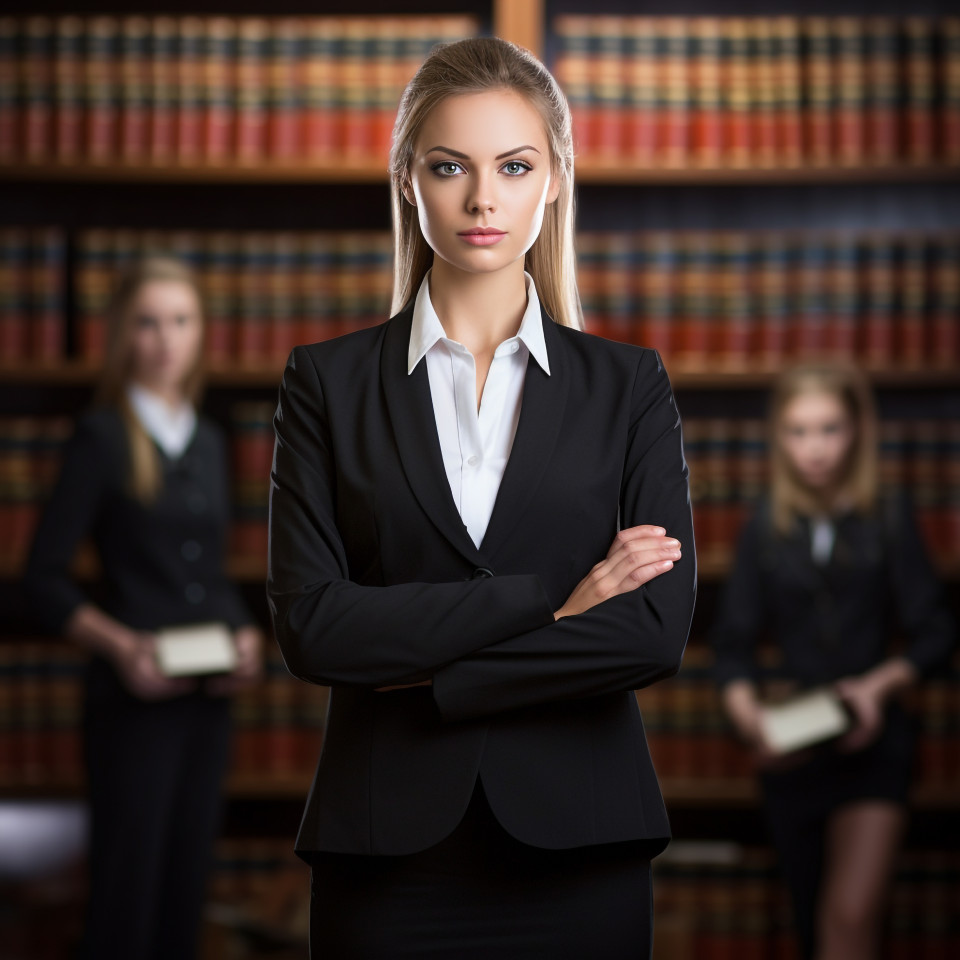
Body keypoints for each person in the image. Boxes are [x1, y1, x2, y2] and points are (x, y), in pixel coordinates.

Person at [267, 37, 696, 959]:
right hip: (385, 860)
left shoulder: (629, 387)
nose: (482, 198)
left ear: (553, 181)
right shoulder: (326, 383)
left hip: (584, 850)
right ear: (408, 180)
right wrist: (554, 602)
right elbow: (314, 627)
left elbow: (653, 629)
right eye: (449, 166)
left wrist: (431, 675)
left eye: (514, 165)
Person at [23, 256, 263, 960]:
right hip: (132, 700)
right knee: (127, 894)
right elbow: (41, 580)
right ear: (125, 334)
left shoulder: (212, 440)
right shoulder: (101, 437)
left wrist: (243, 633)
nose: (166, 340)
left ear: (201, 333)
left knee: (186, 885)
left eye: (181, 321)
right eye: (149, 323)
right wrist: (122, 647)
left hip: (205, 697)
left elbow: (207, 573)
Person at [710, 361, 955, 960]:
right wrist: (753, 723)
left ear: (856, 433)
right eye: (798, 431)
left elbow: (936, 633)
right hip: (794, 745)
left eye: (829, 429)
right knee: (810, 921)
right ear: (779, 436)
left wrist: (877, 688)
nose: (814, 448)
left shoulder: (889, 516)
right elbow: (733, 648)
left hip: (874, 744)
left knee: (849, 921)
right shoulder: (765, 524)